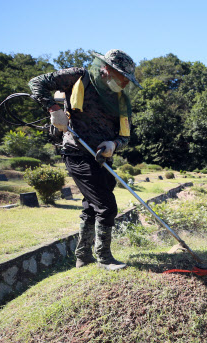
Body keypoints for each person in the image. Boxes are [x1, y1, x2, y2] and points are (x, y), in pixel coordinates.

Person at [29, 49, 140, 270]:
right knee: (106, 207)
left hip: (101, 158)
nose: (124, 83)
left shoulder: (119, 99)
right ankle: (104, 259)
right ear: (106, 70)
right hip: (77, 152)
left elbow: (125, 136)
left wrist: (114, 145)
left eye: (127, 80)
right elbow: (36, 82)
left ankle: (83, 257)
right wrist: (54, 110)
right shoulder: (80, 77)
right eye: (122, 77)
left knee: (91, 207)